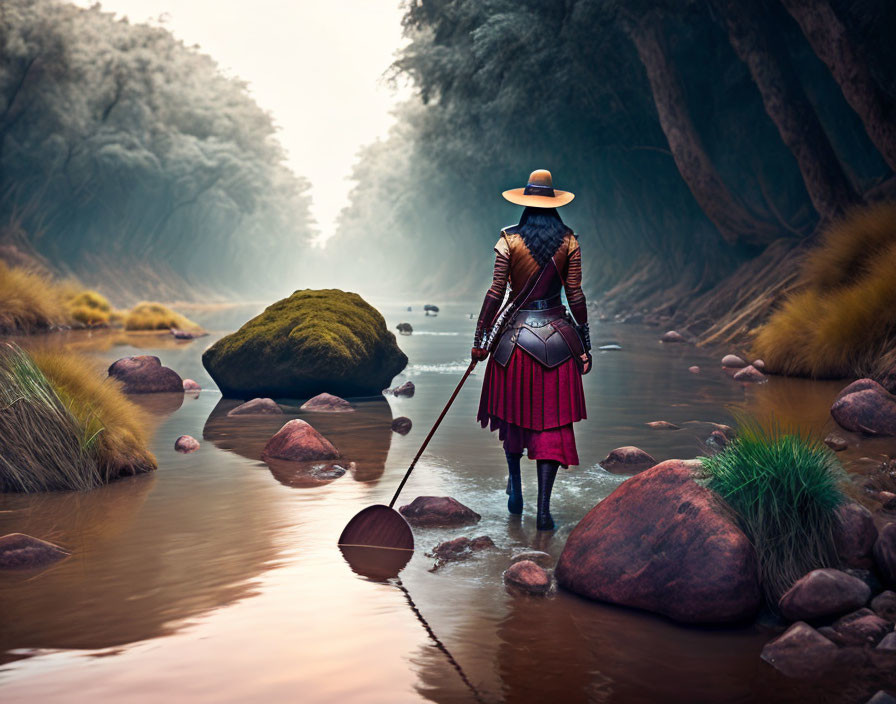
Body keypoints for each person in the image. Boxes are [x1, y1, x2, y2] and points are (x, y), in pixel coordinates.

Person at [472, 169, 591, 531]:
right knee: (550, 427)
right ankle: (543, 511)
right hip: (558, 340)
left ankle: (515, 494)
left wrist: (479, 340)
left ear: (524, 203)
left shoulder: (508, 240)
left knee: (513, 418)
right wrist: (585, 344)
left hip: (513, 343)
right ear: (554, 203)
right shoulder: (569, 241)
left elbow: (495, 293)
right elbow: (575, 297)